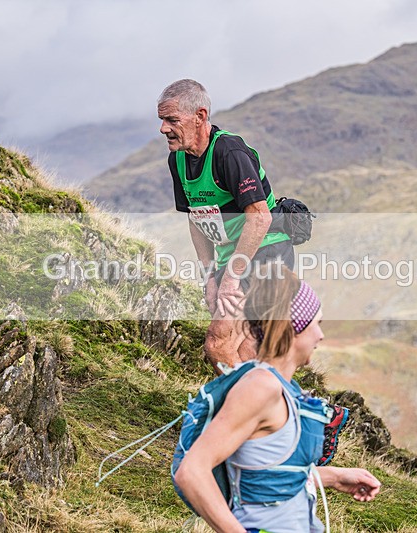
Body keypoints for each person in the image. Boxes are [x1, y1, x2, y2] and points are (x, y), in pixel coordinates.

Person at [173, 268, 381, 532]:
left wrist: (335, 477)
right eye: (316, 323)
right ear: (293, 327)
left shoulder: (284, 389)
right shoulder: (261, 387)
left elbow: (266, 473)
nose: (320, 335)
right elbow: (191, 471)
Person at [158, 79, 293, 372]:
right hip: (233, 256)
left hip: (268, 250)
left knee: (220, 342)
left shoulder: (230, 153)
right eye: (161, 120)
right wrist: (210, 278)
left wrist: (230, 279)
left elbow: (260, 217)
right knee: (243, 349)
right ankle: (261, 397)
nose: (163, 129)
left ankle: (248, 398)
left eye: (172, 120)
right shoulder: (177, 160)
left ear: (200, 116)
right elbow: (196, 220)